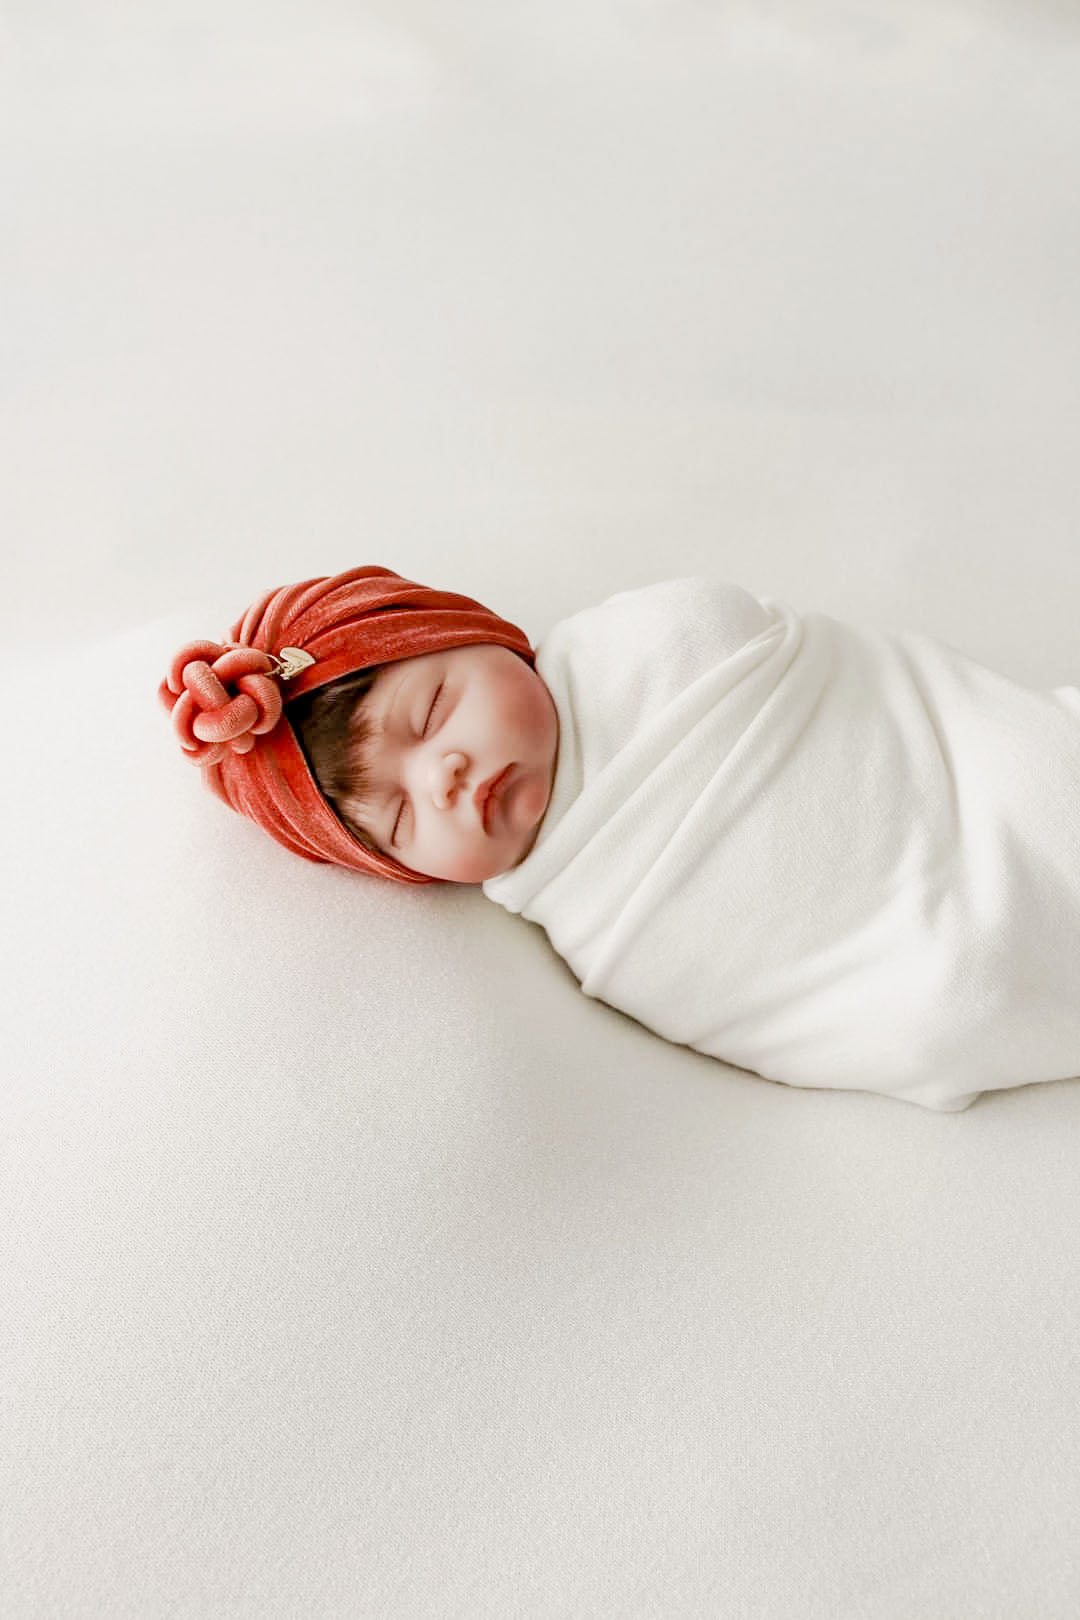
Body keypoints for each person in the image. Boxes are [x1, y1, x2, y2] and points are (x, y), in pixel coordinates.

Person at [161, 562, 1080, 1112]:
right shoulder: (585, 919)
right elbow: (745, 993)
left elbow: (841, 690)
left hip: (982, 773)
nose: (440, 777)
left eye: (433, 708)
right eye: (400, 821)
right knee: (958, 998)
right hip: (924, 961)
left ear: (484, 637)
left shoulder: (649, 643)